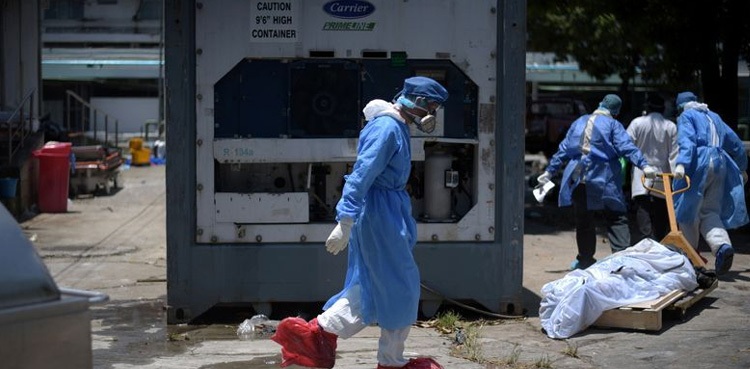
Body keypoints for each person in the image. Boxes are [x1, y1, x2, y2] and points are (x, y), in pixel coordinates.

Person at [271, 76, 449, 369]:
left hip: (385, 212)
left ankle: (315, 334)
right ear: (418, 102)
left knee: (371, 286)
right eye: (432, 106)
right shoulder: (388, 128)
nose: (434, 113)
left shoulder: (396, 126)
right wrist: (346, 219)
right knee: (401, 286)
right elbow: (362, 174)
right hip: (380, 215)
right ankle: (391, 361)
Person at [536, 94, 657, 270]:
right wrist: (644, 165)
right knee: (616, 217)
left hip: (577, 177)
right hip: (603, 176)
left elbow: (563, 149)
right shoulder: (613, 124)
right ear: (615, 111)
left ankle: (584, 260)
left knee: (584, 220)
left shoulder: (579, 122)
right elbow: (626, 147)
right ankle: (621, 260)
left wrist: (548, 171)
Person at [672, 91, 748, 275]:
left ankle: (690, 258)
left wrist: (682, 163)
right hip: (720, 163)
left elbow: (687, 140)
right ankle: (722, 246)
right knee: (710, 211)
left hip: (698, 164)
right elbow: (736, 143)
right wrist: (742, 167)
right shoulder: (714, 116)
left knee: (687, 212)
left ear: (680, 106)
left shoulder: (686, 116)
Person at [626, 94, 678, 243]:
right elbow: (674, 153)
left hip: (641, 169)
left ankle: (646, 238)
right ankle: (659, 240)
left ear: (646, 107)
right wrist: (675, 175)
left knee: (643, 205)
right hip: (664, 171)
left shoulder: (637, 123)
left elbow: (626, 145)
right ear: (663, 109)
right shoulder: (670, 126)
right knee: (662, 207)